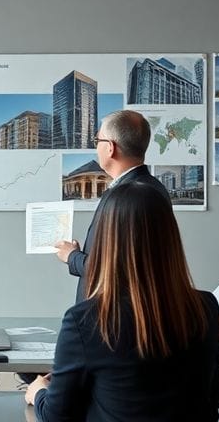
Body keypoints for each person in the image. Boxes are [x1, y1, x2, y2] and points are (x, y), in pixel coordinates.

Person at [25, 183, 219, 421]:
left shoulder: (85, 320)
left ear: (106, 242)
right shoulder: (206, 308)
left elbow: (56, 416)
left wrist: (38, 393)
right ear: (170, 237)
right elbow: (210, 402)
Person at [54, 109, 170, 302]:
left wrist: (72, 257)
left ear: (110, 148)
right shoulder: (151, 187)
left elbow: (114, 271)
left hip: (111, 319)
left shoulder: (129, 195)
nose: (96, 148)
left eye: (97, 141)